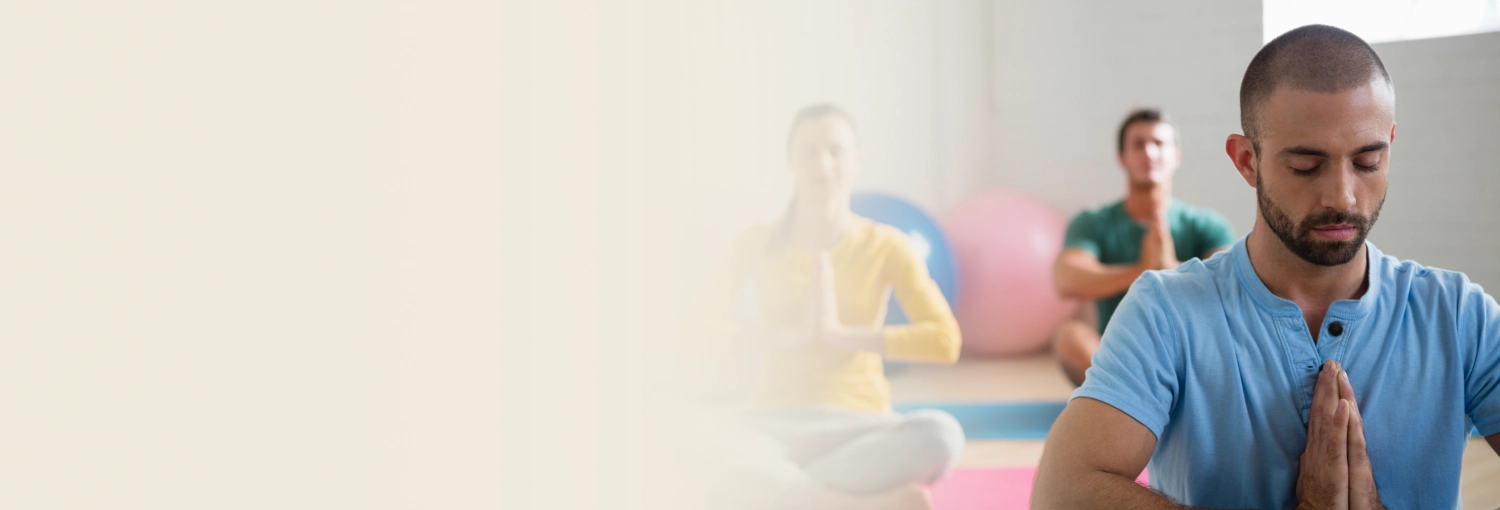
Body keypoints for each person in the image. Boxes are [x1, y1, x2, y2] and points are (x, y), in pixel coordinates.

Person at [1033, 25, 1500, 509]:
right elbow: (1060, 493)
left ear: (1390, 145)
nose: (1341, 196)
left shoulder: (1459, 315)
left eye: (1367, 161)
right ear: (1246, 160)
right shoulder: (1166, 311)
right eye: (1305, 165)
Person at [702, 104, 964, 510]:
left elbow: (944, 341)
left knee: (942, 435)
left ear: (856, 161)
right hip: (772, 422)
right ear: (790, 162)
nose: (822, 164)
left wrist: (841, 335)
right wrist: (783, 337)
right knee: (661, 432)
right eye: (809, 152)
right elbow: (693, 332)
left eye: (835, 151)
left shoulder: (887, 244)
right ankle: (842, 501)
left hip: (862, 426)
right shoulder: (753, 243)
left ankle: (783, 493)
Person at [1052, 108, 1236, 385]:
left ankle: (1141, 400)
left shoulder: (1207, 224)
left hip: (1187, 355)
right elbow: (1066, 279)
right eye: (1138, 144)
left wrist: (1170, 271)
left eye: (1159, 144)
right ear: (1122, 158)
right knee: (1070, 337)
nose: (1149, 153)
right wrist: (1144, 270)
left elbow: (1229, 290)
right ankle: (1134, 394)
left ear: (1176, 156)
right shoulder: (1092, 222)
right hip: (1118, 357)